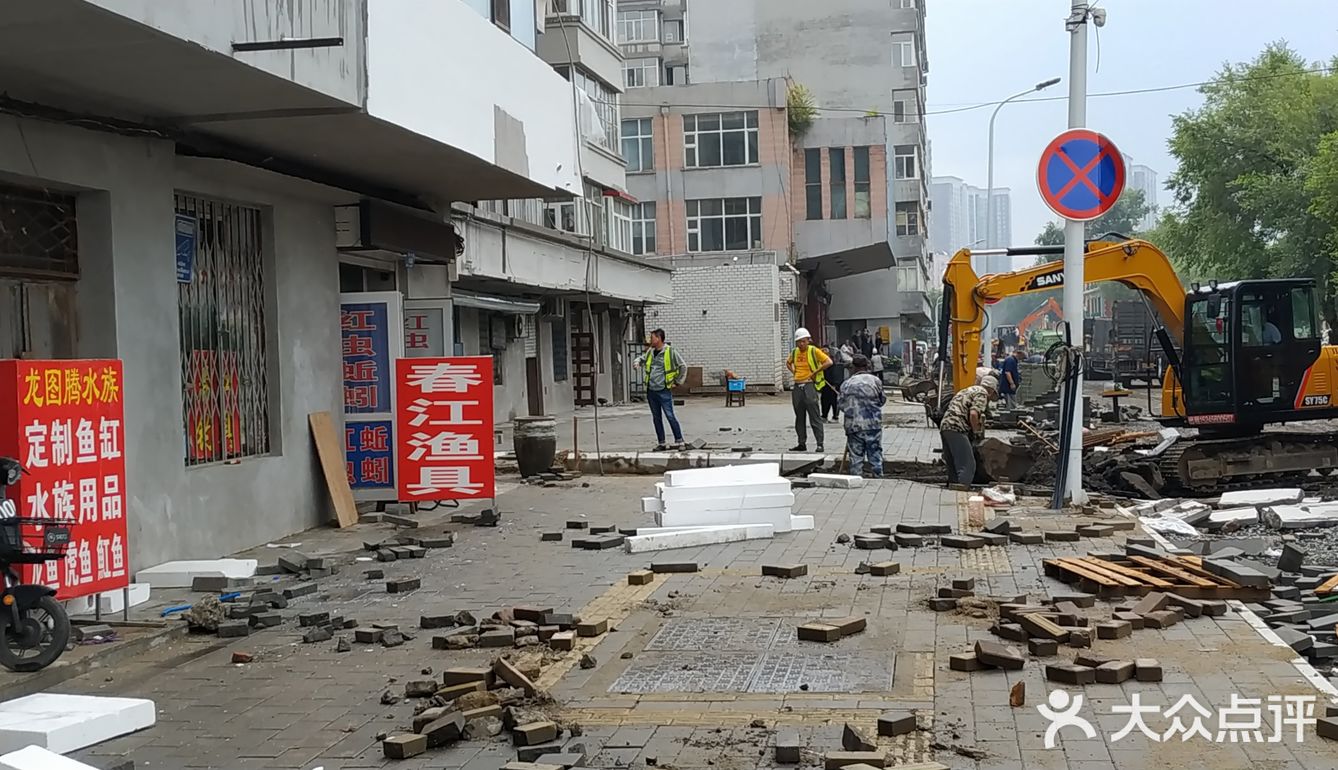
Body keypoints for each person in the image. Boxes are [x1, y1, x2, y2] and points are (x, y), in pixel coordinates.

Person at [938, 375, 999, 486]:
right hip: (957, 427)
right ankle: (962, 489)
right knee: (967, 466)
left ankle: (953, 488)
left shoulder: (967, 390)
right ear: (991, 391)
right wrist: (976, 432)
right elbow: (973, 414)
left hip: (946, 426)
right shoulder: (983, 394)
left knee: (953, 465)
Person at [635, 329, 686, 451]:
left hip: (663, 390)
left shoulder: (670, 352)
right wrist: (637, 362)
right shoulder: (651, 352)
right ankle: (661, 443)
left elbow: (683, 366)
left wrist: (677, 382)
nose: (650, 340)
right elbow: (641, 358)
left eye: (652, 338)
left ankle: (680, 441)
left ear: (658, 338)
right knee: (656, 417)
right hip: (651, 390)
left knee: (670, 415)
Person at [838, 355, 886, 478]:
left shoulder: (846, 384)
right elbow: (882, 400)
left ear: (853, 367)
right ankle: (878, 477)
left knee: (855, 456)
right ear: (867, 366)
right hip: (873, 424)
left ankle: (856, 478)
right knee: (875, 453)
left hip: (853, 426)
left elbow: (841, 405)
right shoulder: (875, 381)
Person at [786, 327, 832, 452]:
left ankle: (820, 443)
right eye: (798, 342)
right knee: (799, 417)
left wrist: (815, 372)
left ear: (808, 340)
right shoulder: (794, 352)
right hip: (797, 386)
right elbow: (788, 362)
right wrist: (794, 372)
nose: (801, 344)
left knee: (814, 416)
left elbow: (828, 362)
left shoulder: (813, 351)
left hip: (809, 385)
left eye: (803, 341)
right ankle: (801, 443)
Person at [820, 343, 848, 422]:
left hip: (833, 385)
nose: (824, 352)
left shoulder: (832, 361)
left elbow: (836, 373)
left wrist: (835, 384)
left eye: (825, 350)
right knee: (824, 400)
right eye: (822, 351)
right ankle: (824, 416)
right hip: (825, 384)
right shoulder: (821, 361)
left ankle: (835, 417)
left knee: (834, 401)